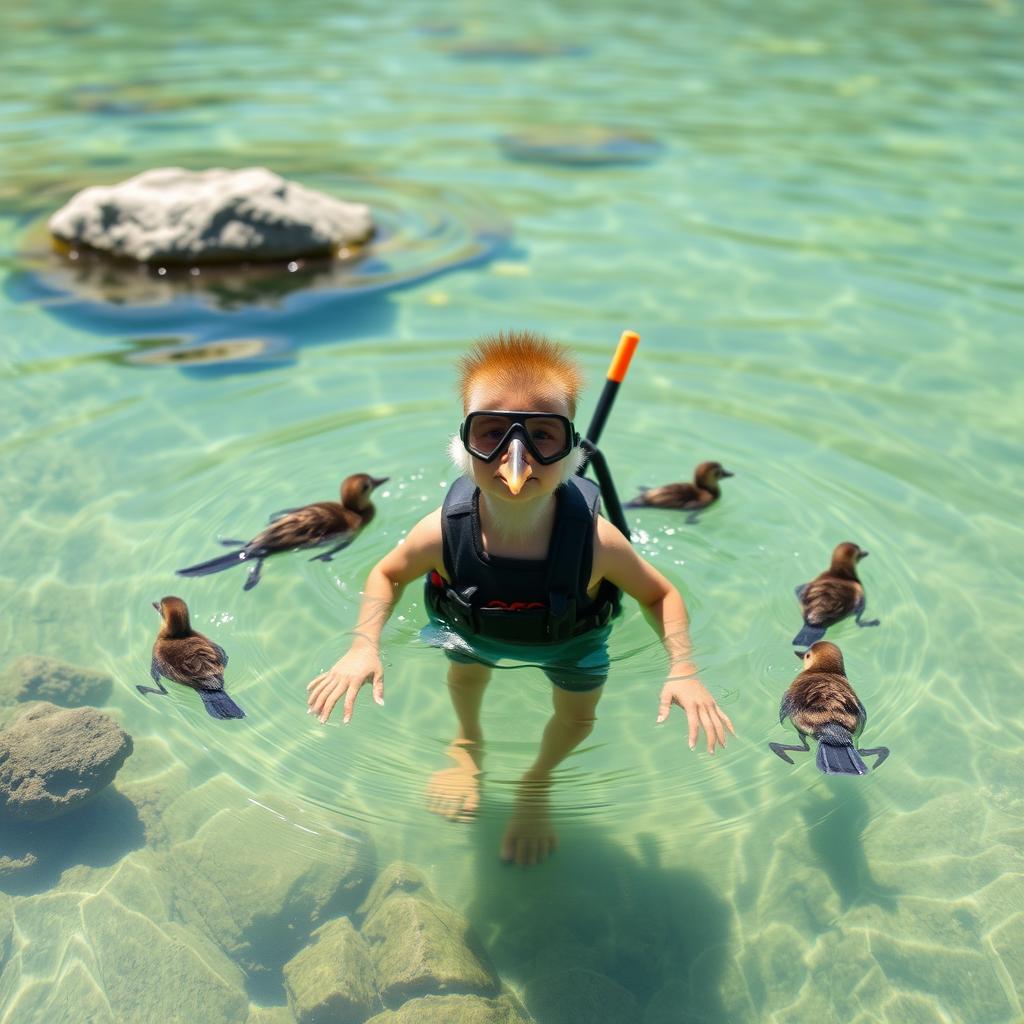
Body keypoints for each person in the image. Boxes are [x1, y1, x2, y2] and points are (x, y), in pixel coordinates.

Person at [307, 330, 735, 865]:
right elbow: (387, 574)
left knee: (578, 718)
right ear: (462, 448)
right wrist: (362, 645)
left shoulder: (597, 543)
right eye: (491, 432)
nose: (516, 458)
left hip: (573, 643)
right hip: (472, 635)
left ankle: (537, 783)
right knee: (466, 675)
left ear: (572, 452)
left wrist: (684, 669)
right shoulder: (442, 532)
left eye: (542, 436)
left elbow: (659, 594)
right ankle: (468, 746)